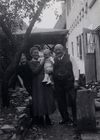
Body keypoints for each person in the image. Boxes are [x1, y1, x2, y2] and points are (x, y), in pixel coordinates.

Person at [29, 47, 56, 125]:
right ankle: (40, 118)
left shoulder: (42, 60)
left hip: (45, 83)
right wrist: (41, 63)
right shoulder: (30, 62)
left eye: (37, 52)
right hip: (37, 85)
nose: (36, 54)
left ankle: (47, 118)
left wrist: (50, 72)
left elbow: (49, 68)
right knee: (40, 100)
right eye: (34, 53)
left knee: (46, 100)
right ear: (31, 54)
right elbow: (35, 71)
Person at [53, 44, 76, 126]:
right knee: (61, 102)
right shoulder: (54, 59)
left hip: (69, 82)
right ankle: (65, 119)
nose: (57, 51)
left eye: (59, 49)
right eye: (56, 50)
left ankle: (75, 120)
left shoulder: (70, 57)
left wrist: (76, 81)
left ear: (63, 50)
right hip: (58, 84)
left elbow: (75, 69)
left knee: (73, 100)